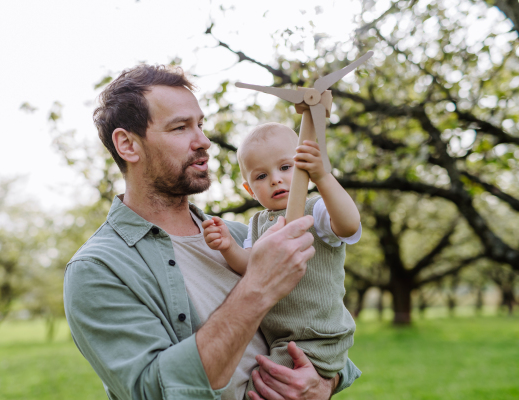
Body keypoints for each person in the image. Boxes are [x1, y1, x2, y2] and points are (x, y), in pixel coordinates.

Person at [63, 64, 361, 400]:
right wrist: (258, 283)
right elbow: (154, 393)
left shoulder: (240, 236)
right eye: (180, 128)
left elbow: (320, 323)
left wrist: (323, 383)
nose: (203, 141)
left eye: (201, 125)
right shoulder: (98, 269)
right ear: (128, 145)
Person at [202, 123, 361, 399]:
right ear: (249, 189)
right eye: (262, 176)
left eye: (286, 168)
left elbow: (348, 225)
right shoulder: (256, 224)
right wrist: (228, 246)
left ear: (305, 169)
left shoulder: (317, 209)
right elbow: (249, 265)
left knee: (264, 391)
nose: (275, 179)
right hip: (286, 338)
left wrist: (323, 176)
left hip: (317, 336)